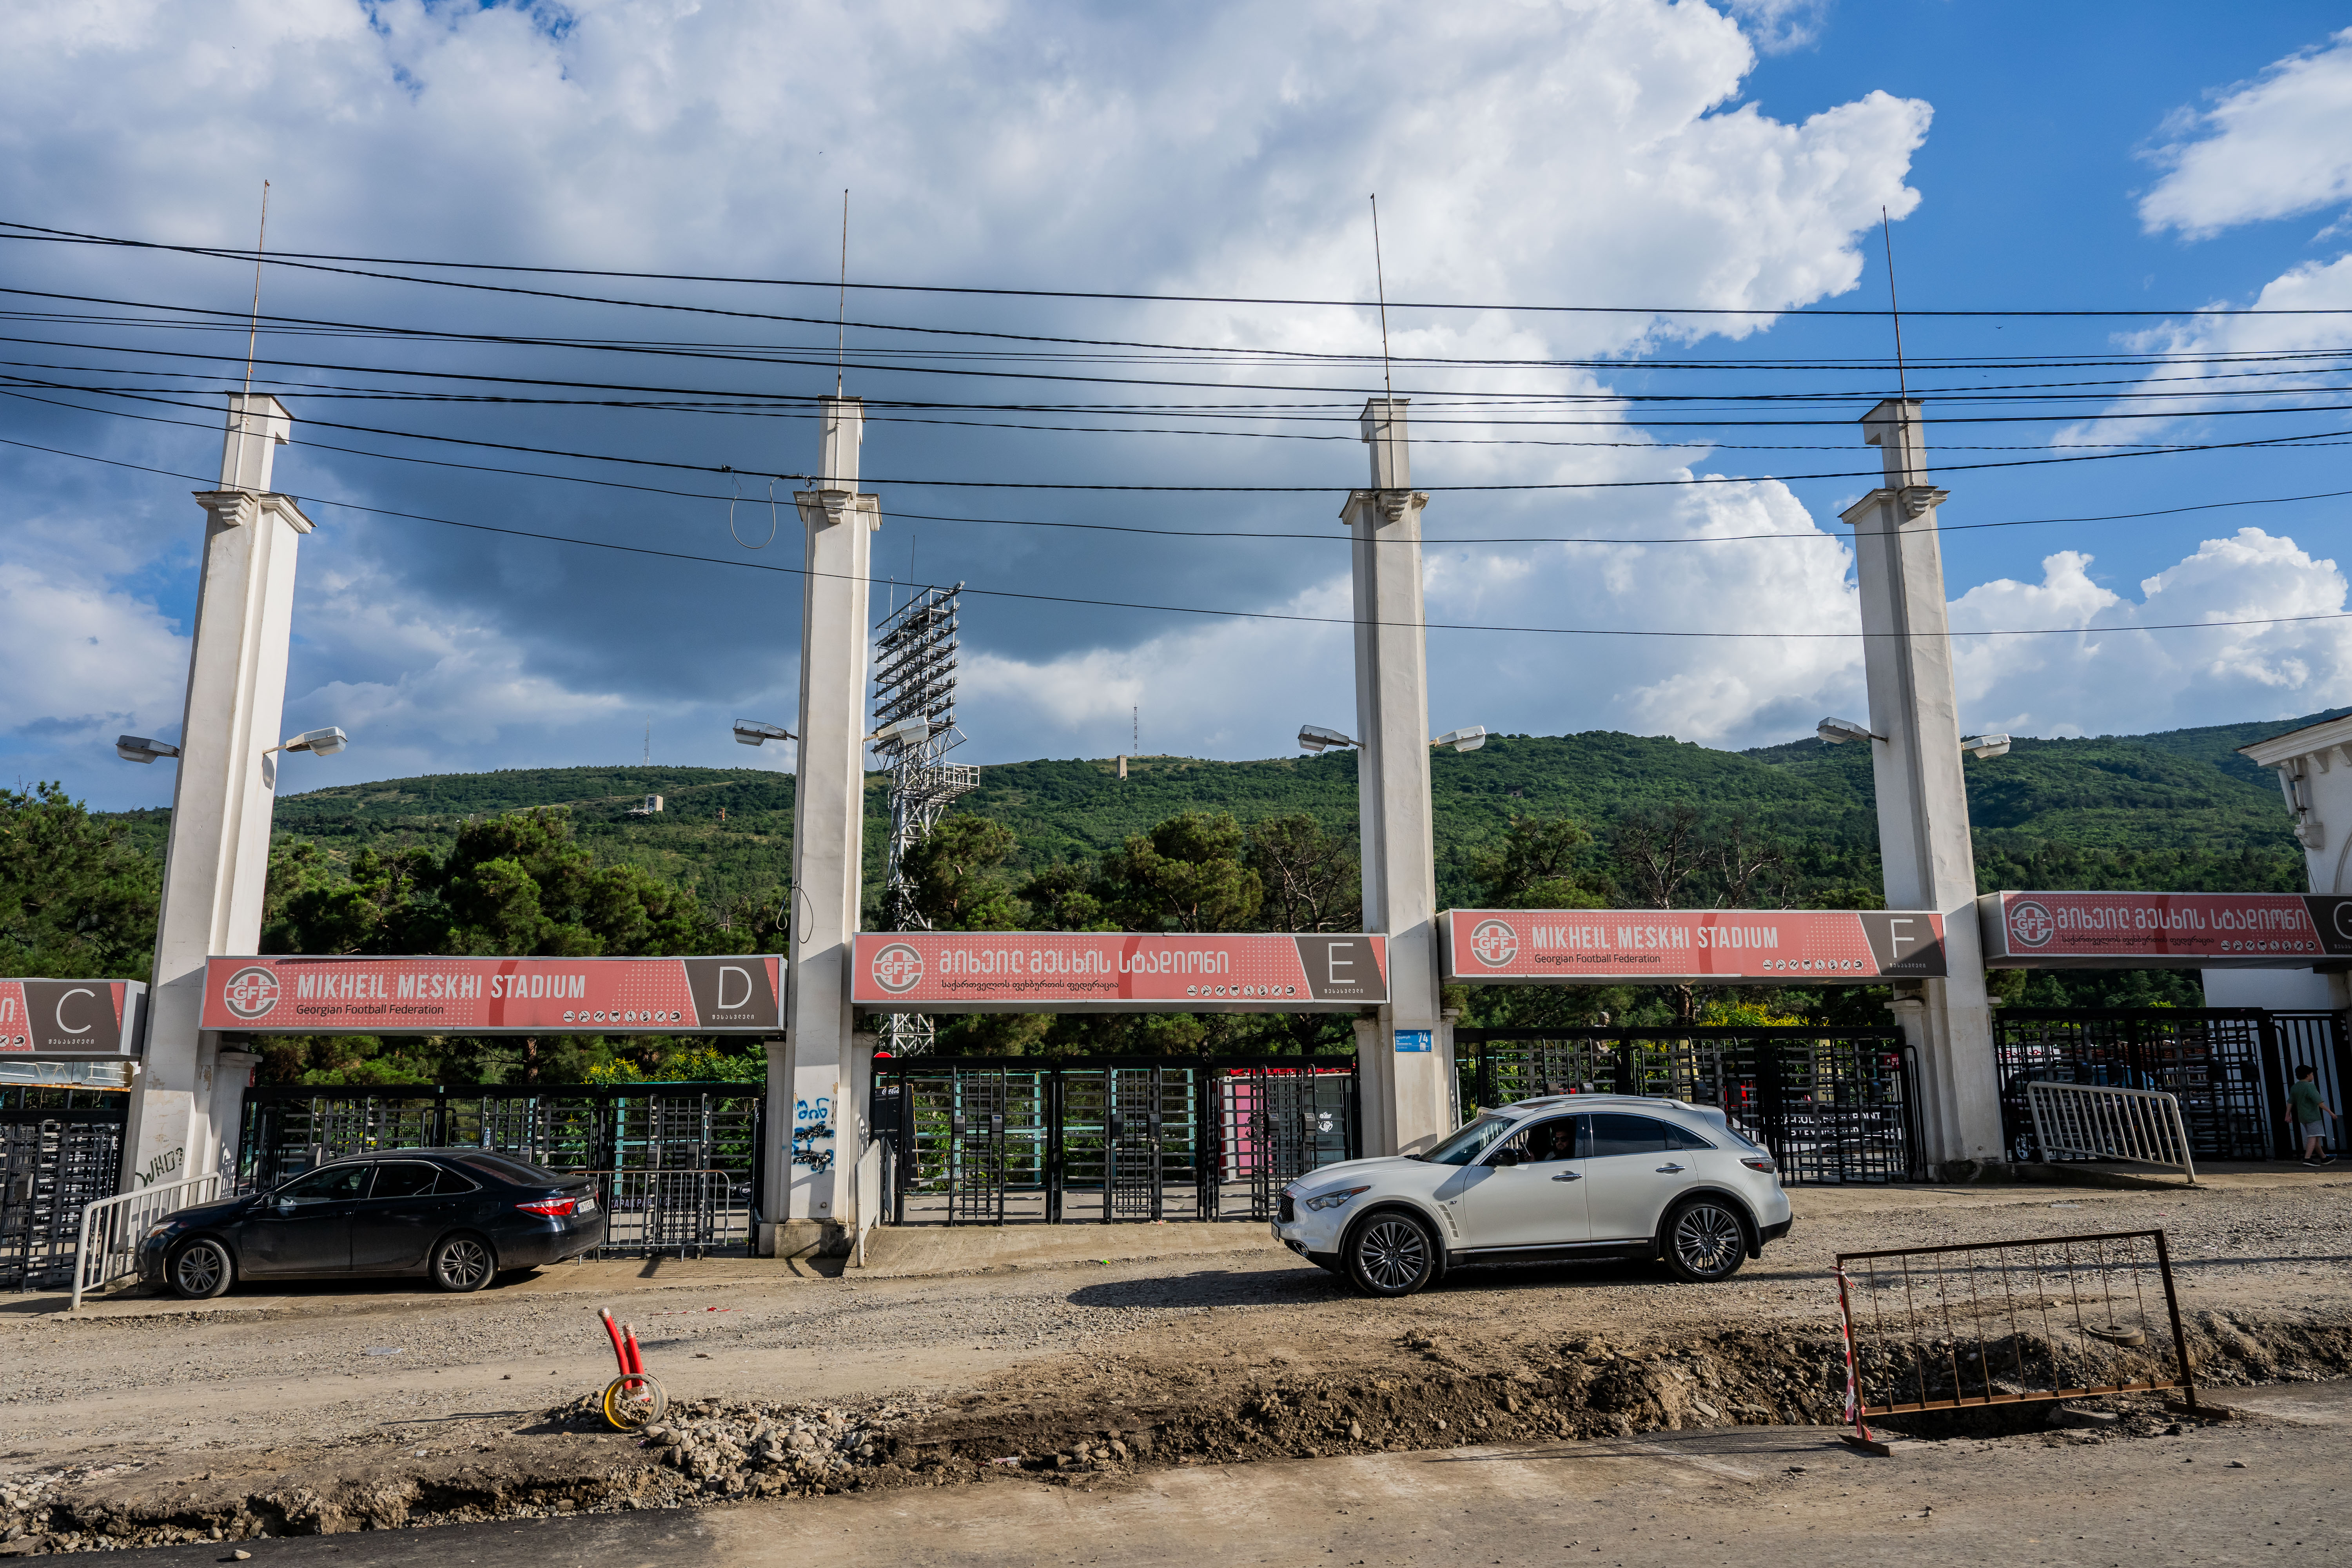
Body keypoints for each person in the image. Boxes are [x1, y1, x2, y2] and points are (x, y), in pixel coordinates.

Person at [2288, 1064, 2336, 1167]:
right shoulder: (2310, 1086)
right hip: (2313, 1116)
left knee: (2315, 1138)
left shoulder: (2295, 1087)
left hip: (2303, 1116)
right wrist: (2331, 1112)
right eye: (2312, 1074)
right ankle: (2307, 1158)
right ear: (2308, 1075)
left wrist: (2287, 1115)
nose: (2313, 1076)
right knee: (2313, 1136)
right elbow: (2319, 1102)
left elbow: (2290, 1102)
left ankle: (2324, 1158)